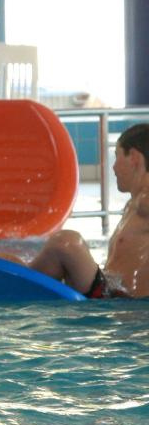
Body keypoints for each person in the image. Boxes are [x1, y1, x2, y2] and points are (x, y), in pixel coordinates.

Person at [28, 123, 149, 298]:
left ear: (133, 157)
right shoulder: (134, 203)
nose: (113, 168)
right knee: (67, 246)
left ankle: (18, 279)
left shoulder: (145, 200)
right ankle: (22, 275)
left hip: (122, 301)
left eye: (117, 156)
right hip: (110, 292)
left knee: (67, 243)